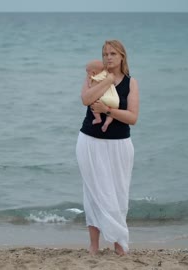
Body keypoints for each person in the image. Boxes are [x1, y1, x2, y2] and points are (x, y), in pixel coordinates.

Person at [76, 40, 139, 256]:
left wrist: (108, 111)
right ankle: (94, 245)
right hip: (90, 142)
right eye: (105, 54)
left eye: (112, 54)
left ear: (122, 56)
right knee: (93, 193)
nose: (108, 58)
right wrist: (108, 80)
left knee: (119, 194)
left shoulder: (131, 83)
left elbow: (132, 118)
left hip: (120, 145)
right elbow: (86, 99)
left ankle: (119, 243)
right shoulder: (94, 76)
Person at [85, 59, 120, 132]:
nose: (87, 74)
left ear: (93, 72)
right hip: (115, 100)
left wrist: (89, 81)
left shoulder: (94, 78)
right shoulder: (107, 75)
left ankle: (98, 119)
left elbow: (90, 93)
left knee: (93, 104)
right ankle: (107, 122)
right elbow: (114, 81)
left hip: (104, 99)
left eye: (88, 72)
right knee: (113, 109)